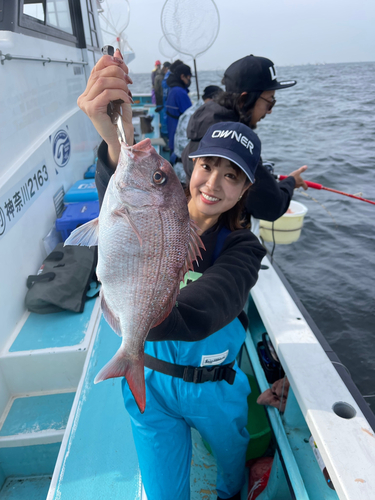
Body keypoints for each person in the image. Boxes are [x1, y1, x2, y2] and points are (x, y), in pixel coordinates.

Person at [77, 49, 267, 500]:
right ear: (190, 165)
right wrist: (112, 137)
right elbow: (124, 213)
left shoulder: (243, 247)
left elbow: (205, 311)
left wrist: (141, 319)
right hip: (152, 382)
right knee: (164, 493)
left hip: (215, 389)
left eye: (232, 176)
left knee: (229, 467)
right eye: (207, 166)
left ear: (245, 190)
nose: (213, 184)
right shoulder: (154, 214)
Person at [181, 55, 308, 222]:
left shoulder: (203, 118)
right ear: (244, 99)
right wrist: (291, 182)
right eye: (269, 102)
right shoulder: (235, 141)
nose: (269, 111)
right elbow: (271, 206)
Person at [165, 63, 192, 152]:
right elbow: (190, 114)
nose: (189, 80)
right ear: (182, 76)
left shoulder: (173, 90)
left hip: (173, 133)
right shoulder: (180, 92)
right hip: (180, 136)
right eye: (189, 77)